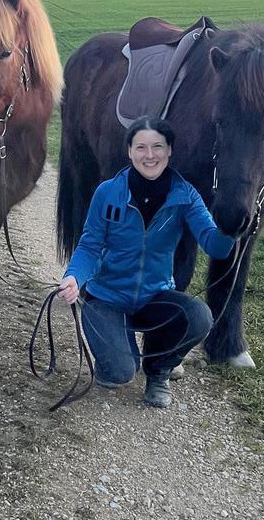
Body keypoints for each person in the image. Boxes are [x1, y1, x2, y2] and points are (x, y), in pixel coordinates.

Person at [57, 116, 235, 408]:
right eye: (141, 147)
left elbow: (213, 244)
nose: (149, 155)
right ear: (129, 151)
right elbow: (89, 245)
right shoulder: (107, 192)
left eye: (157, 147)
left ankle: (159, 372)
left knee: (199, 316)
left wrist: (232, 228)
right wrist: (74, 277)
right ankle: (114, 350)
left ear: (169, 151)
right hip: (107, 298)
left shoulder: (186, 196)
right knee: (119, 373)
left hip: (153, 296)